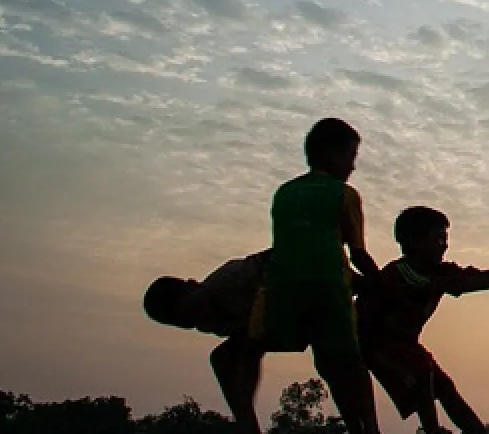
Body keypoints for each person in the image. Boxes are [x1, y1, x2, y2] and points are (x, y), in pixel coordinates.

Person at [358, 206, 489, 434]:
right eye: (438, 239)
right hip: (376, 346)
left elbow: (481, 278)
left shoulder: (442, 273)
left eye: (445, 239)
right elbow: (364, 319)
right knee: (423, 371)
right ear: (414, 242)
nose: (444, 245)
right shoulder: (395, 276)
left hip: (406, 345)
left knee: (445, 389)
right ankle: (431, 430)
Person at [256, 117, 384, 434]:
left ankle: (353, 424)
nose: (353, 167)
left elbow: (293, 246)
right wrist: (380, 284)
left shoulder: (284, 193)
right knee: (352, 363)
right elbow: (358, 254)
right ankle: (368, 427)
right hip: (329, 287)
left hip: (282, 291)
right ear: (333, 154)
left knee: (326, 363)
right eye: (351, 158)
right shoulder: (344, 194)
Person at [142, 251, 273, 434]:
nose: (198, 317)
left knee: (248, 347)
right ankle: (246, 421)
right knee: (222, 358)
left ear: (193, 285)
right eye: (188, 322)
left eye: (193, 308)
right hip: (264, 321)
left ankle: (246, 423)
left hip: (281, 289)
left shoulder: (228, 281)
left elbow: (269, 266)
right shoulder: (207, 321)